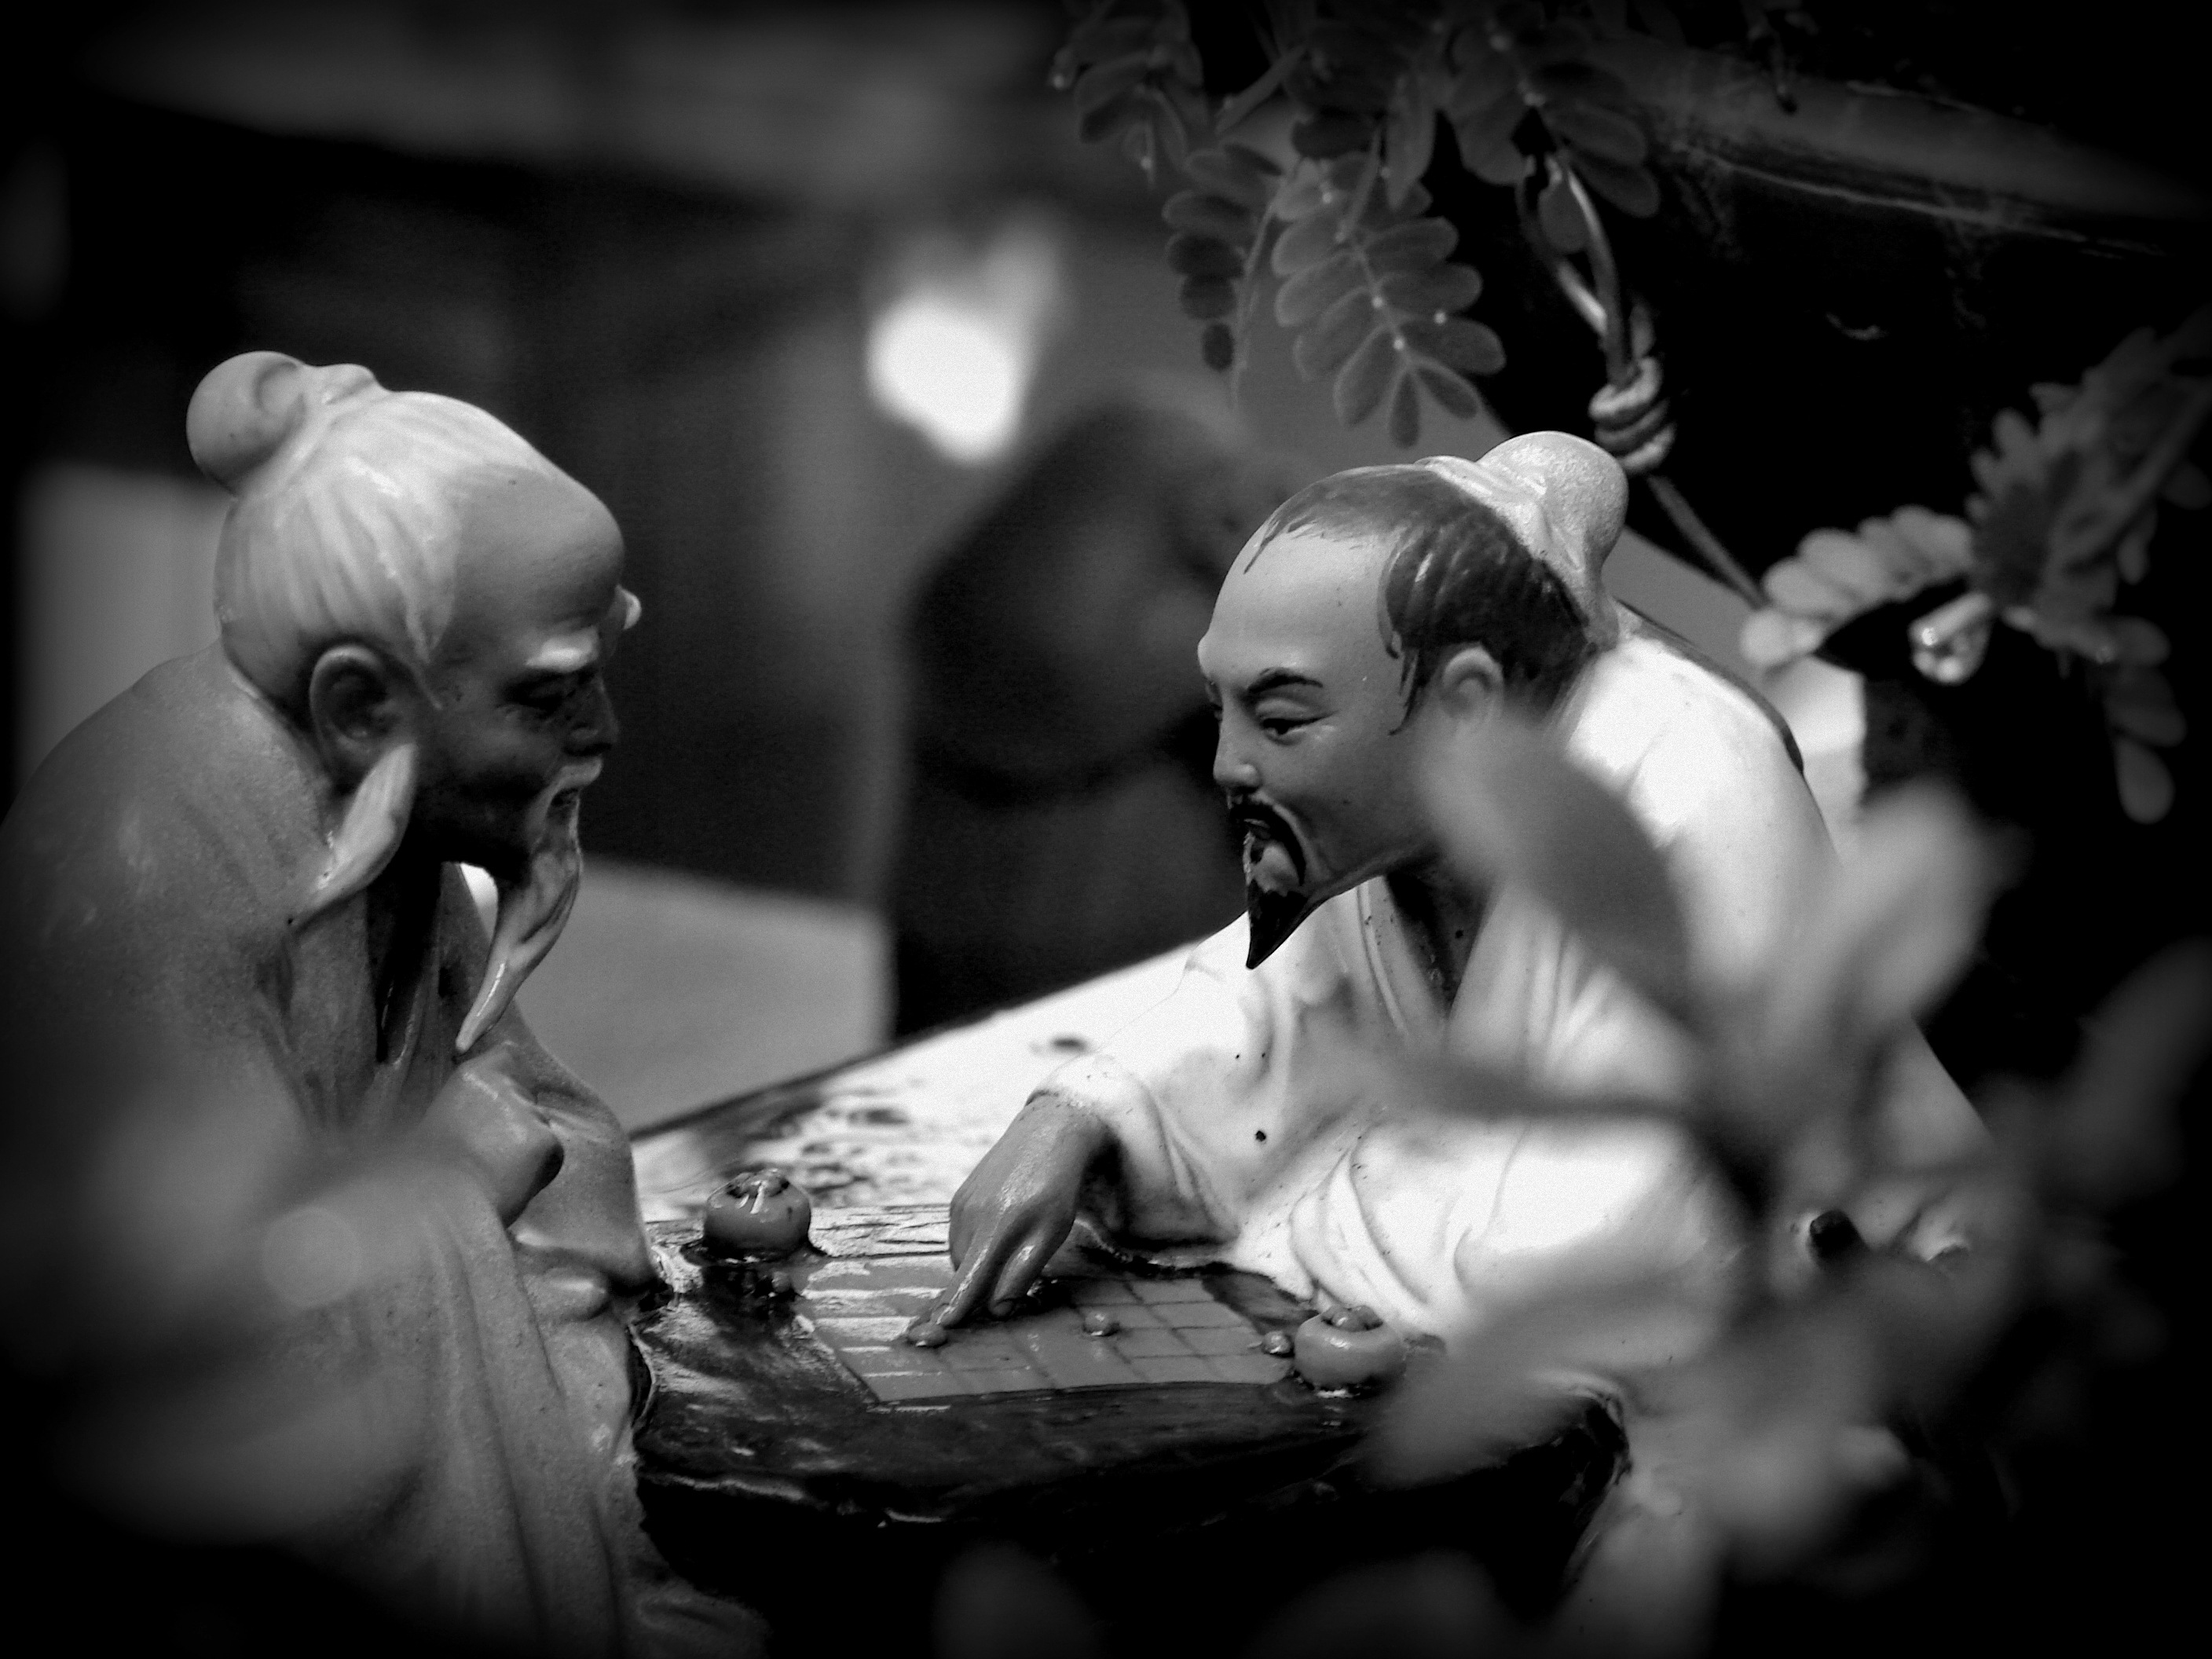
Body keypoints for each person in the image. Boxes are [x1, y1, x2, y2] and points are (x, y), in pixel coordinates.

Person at [0, 353, 750, 1656]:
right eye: (550, 694)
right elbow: (200, 1342)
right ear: (359, 704)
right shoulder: (143, 875)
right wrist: (444, 1183)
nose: (605, 732)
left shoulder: (374, 819)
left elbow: (536, 1126)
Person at [939, 433, 1988, 1343]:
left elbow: (1619, 1245)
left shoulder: (1690, 782)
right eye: (1221, 710)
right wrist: (1085, 1116)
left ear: (1468, 701)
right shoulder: (1396, 800)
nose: (1227, 766)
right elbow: (1281, 1005)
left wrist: (1313, 1198)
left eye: (1282, 720)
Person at [890, 390, 1299, 1032]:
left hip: (1099, 988)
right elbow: (1055, 673)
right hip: (1047, 984)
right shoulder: (1067, 629)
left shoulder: (1156, 469)